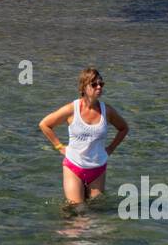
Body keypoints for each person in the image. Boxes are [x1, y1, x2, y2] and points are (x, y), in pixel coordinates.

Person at [38, 67, 130, 204]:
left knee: (96, 212)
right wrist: (59, 146)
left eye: (101, 84)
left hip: (98, 168)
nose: (99, 87)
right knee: (76, 210)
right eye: (94, 84)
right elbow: (45, 124)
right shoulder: (71, 109)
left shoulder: (107, 111)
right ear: (83, 87)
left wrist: (110, 149)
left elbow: (123, 128)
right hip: (74, 166)